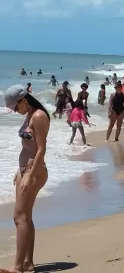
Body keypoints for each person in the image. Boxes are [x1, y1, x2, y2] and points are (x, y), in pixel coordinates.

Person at [3, 85, 50, 273]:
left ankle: (17, 267)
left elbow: (41, 149)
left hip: (34, 171)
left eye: (15, 107)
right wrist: (20, 171)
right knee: (25, 218)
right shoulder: (29, 115)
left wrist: (29, 175)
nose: (15, 111)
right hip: (26, 169)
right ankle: (28, 264)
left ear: (24, 99)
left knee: (19, 217)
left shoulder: (38, 116)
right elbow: (27, 148)